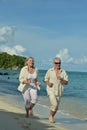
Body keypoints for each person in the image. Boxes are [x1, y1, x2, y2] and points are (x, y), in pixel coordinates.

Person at [44, 57, 68, 123]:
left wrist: (61, 79)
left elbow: (66, 82)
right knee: (54, 104)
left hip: (59, 91)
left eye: (59, 63)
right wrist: (48, 83)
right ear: (54, 63)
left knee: (56, 107)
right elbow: (45, 79)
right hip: (50, 90)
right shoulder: (50, 71)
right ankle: (51, 116)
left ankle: (51, 116)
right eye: (56, 63)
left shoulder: (63, 72)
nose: (58, 64)